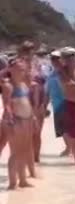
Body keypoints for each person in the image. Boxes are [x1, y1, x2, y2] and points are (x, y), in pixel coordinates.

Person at [1, 57, 35, 189]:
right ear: (11, 69)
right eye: (19, 69)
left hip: (27, 120)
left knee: (24, 150)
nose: (23, 71)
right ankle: (12, 183)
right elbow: (7, 104)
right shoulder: (8, 85)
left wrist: (33, 117)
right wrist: (11, 119)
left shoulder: (24, 84)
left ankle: (23, 180)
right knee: (15, 152)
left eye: (23, 69)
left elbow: (27, 102)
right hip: (15, 121)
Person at [45, 50, 70, 156]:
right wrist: (44, 106)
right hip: (56, 105)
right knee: (62, 130)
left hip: (67, 104)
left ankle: (71, 149)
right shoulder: (51, 75)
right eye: (52, 59)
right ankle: (69, 148)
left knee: (67, 129)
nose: (55, 61)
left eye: (57, 58)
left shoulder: (67, 71)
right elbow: (47, 92)